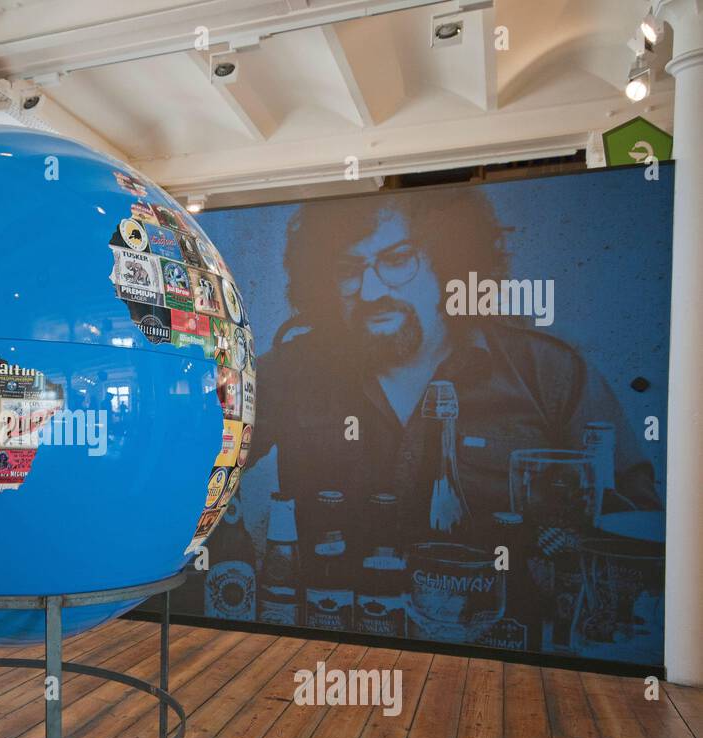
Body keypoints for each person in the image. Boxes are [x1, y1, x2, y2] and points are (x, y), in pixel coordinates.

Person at [238, 188, 660, 562]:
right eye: (349, 269)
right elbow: (204, 463)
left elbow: (635, 528)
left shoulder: (547, 372)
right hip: (332, 627)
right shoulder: (292, 370)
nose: (370, 291)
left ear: (447, 261)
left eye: (398, 260)